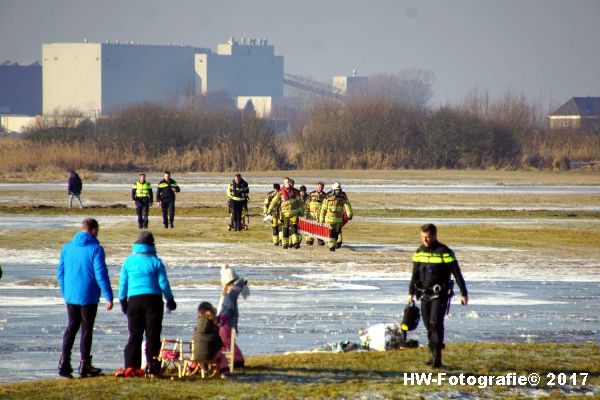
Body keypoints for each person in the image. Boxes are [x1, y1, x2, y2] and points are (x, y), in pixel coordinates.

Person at [57, 218, 114, 378]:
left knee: (72, 326)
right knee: (86, 329)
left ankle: (64, 361)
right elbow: (101, 274)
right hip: (88, 295)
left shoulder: (67, 247)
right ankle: (84, 363)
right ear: (94, 230)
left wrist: (65, 291)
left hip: (71, 295)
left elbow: (60, 273)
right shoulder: (96, 249)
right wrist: (108, 295)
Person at [407, 223, 468, 368]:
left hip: (440, 295)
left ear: (435, 236)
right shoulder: (419, 251)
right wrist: (410, 292)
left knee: (435, 323)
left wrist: (463, 293)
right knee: (428, 325)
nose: (425, 240)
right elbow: (414, 274)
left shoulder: (444, 252)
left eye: (428, 237)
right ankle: (433, 352)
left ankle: (437, 359)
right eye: (423, 237)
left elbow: (457, 273)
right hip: (423, 294)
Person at [118, 231, 177, 376]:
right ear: (152, 245)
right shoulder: (156, 261)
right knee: (153, 334)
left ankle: (132, 366)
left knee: (135, 334)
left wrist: (122, 300)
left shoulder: (129, 261)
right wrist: (170, 299)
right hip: (153, 300)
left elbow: (123, 283)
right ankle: (152, 364)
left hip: (134, 300)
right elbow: (163, 283)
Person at [217, 265, 249, 368]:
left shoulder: (230, 294)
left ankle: (237, 359)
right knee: (223, 342)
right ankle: (222, 360)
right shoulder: (227, 294)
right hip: (222, 322)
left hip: (226, 322)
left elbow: (227, 308)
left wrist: (240, 282)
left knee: (227, 341)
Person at [192, 302, 230, 379]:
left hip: (196, 355)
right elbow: (218, 344)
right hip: (209, 356)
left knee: (195, 354)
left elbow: (193, 341)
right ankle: (224, 371)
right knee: (222, 355)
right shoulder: (213, 330)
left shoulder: (197, 329)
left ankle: (190, 369)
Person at [266, 177, 302, 249]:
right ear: (284, 183)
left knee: (294, 228)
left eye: (289, 182)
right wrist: (269, 210)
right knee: (285, 229)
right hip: (284, 214)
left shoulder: (294, 192)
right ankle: (285, 244)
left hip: (294, 213)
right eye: (287, 182)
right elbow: (274, 202)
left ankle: (295, 243)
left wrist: (301, 211)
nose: (289, 183)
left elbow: (299, 202)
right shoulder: (280, 193)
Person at [319, 182, 353, 252]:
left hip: (338, 220)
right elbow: (323, 209)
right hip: (329, 220)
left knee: (336, 234)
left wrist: (349, 214)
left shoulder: (343, 196)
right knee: (331, 233)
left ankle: (334, 244)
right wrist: (321, 219)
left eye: (339, 190)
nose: (338, 191)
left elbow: (347, 205)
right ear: (334, 190)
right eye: (337, 190)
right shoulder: (328, 197)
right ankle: (331, 248)